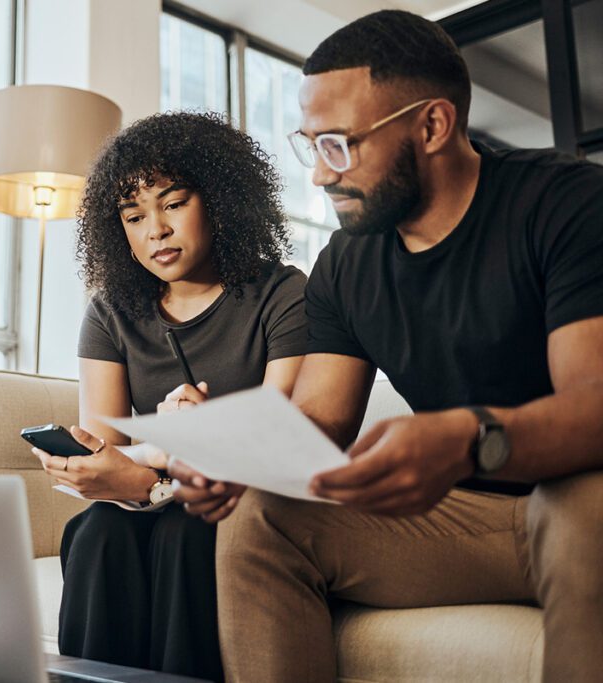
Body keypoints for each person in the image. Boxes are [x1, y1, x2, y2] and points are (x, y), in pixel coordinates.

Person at [170, 10, 603, 683]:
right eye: (309, 144)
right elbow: (319, 424)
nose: (318, 175)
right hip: (471, 526)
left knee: (584, 502)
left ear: (432, 125)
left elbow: (594, 406)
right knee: (259, 516)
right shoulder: (346, 264)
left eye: (338, 145)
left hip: (577, 503)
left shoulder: (564, 204)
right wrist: (236, 459)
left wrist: (465, 438)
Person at [31, 111, 308, 681]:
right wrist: (139, 462)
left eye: (173, 204)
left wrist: (160, 460)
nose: (154, 229)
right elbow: (108, 449)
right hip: (150, 495)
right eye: (133, 216)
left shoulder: (282, 294)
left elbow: (287, 437)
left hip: (241, 501)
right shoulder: (110, 313)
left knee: (188, 532)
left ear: (222, 199)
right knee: (95, 530)